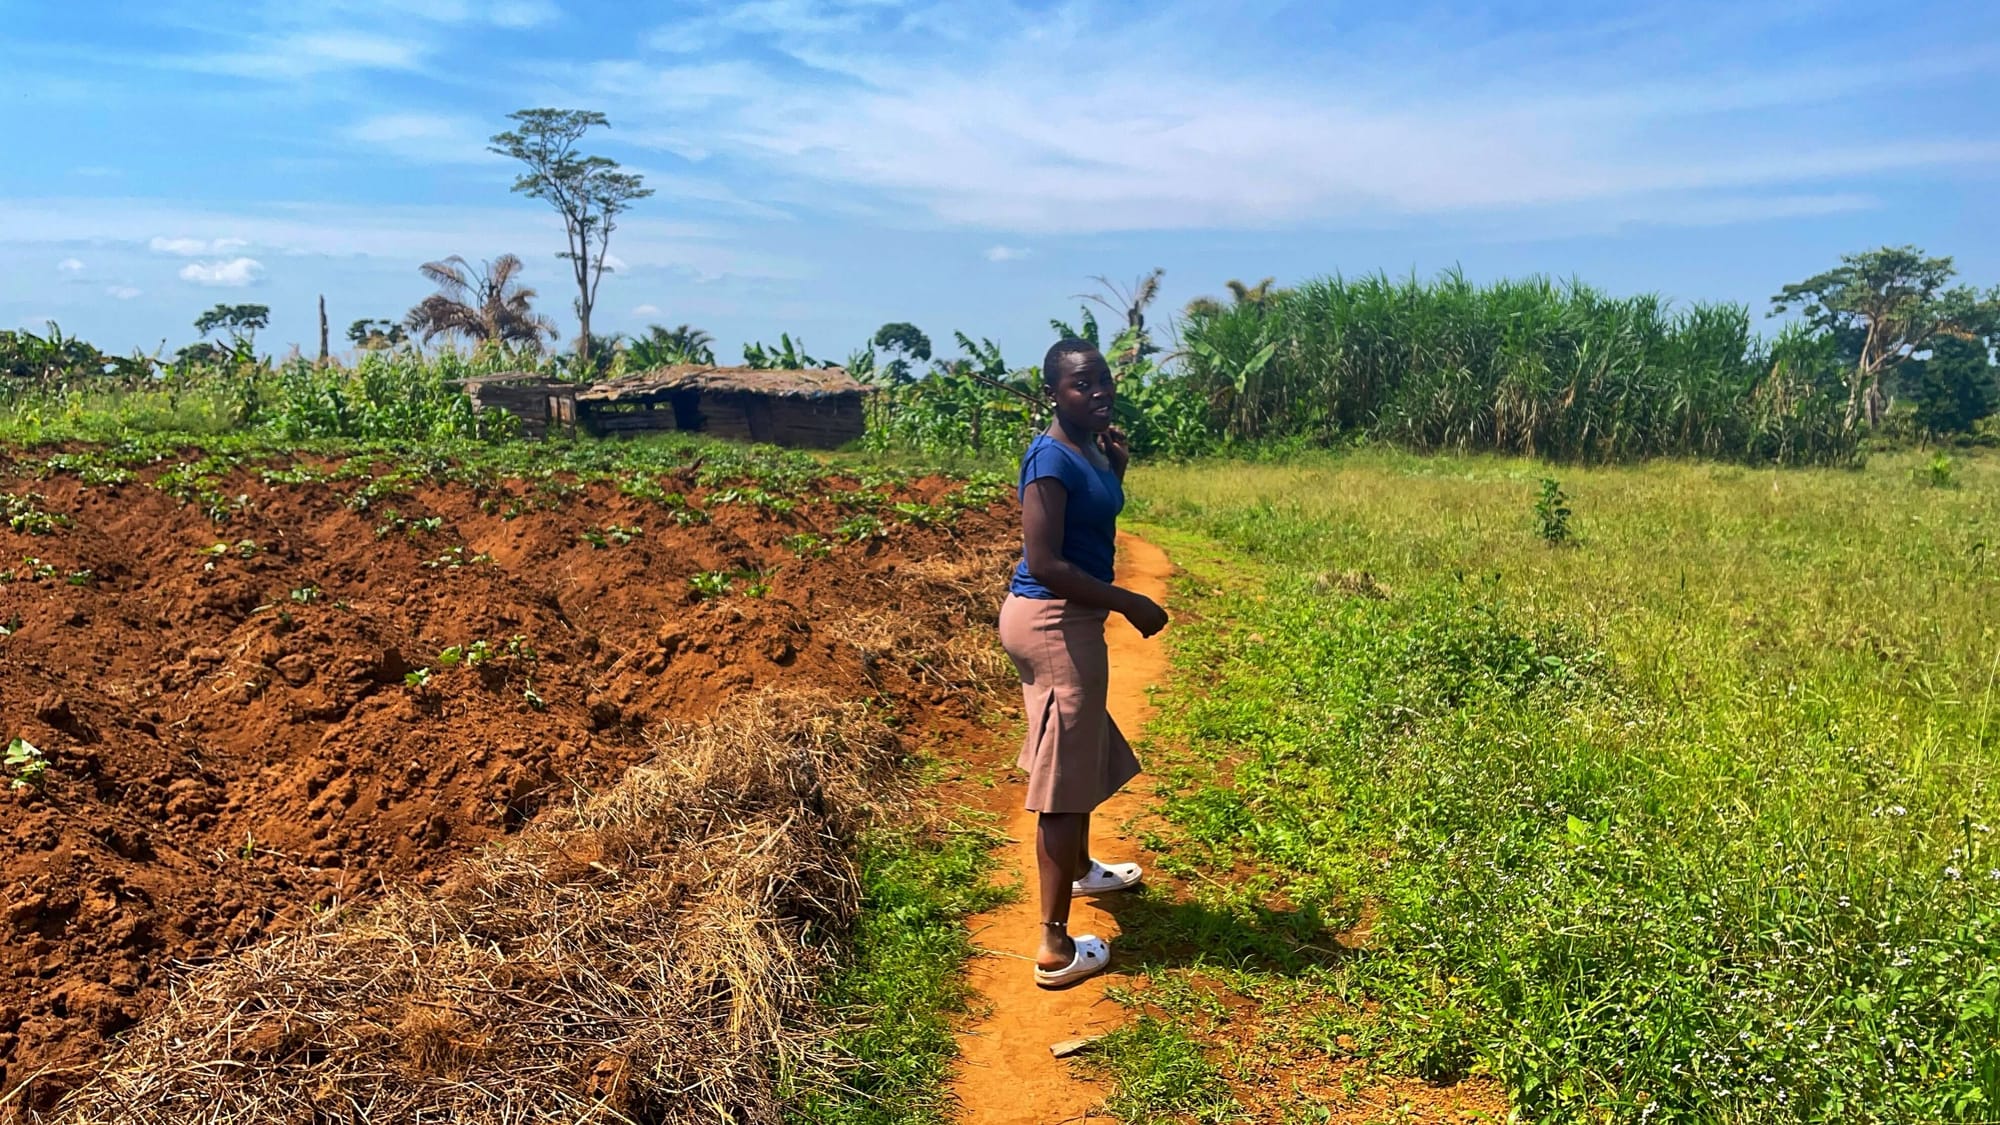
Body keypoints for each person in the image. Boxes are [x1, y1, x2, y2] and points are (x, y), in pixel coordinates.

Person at [998, 337, 1170, 989]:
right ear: (1053, 394)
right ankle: (1052, 945)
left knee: (1079, 741)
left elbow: (1089, 527)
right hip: (1050, 618)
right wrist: (1130, 600)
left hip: (1068, 621)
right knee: (1063, 776)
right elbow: (1045, 562)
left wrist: (1116, 470)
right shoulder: (1047, 458)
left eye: (1104, 380)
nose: (1099, 391)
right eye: (1081, 384)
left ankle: (1081, 867)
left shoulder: (1092, 447)